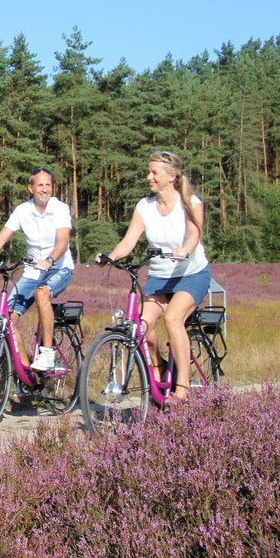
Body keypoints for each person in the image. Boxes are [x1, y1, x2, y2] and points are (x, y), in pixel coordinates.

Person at [96, 150, 211, 400]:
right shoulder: (145, 206)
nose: (149, 177)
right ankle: (158, 369)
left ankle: (182, 388)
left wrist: (186, 250)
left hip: (191, 273)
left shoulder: (190, 203)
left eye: (154, 172)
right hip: (159, 277)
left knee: (172, 319)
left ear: (172, 177)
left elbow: (194, 235)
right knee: (142, 327)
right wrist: (110, 257)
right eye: (148, 172)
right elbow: (129, 241)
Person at [0, 167, 74, 372]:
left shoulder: (60, 208)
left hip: (59, 268)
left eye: (48, 185)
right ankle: (24, 372)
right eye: (40, 185)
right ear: (30, 188)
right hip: (32, 272)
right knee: (7, 320)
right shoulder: (22, 211)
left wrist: (50, 259)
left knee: (42, 293)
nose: (45, 189)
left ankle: (47, 354)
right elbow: (1, 238)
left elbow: (63, 241)